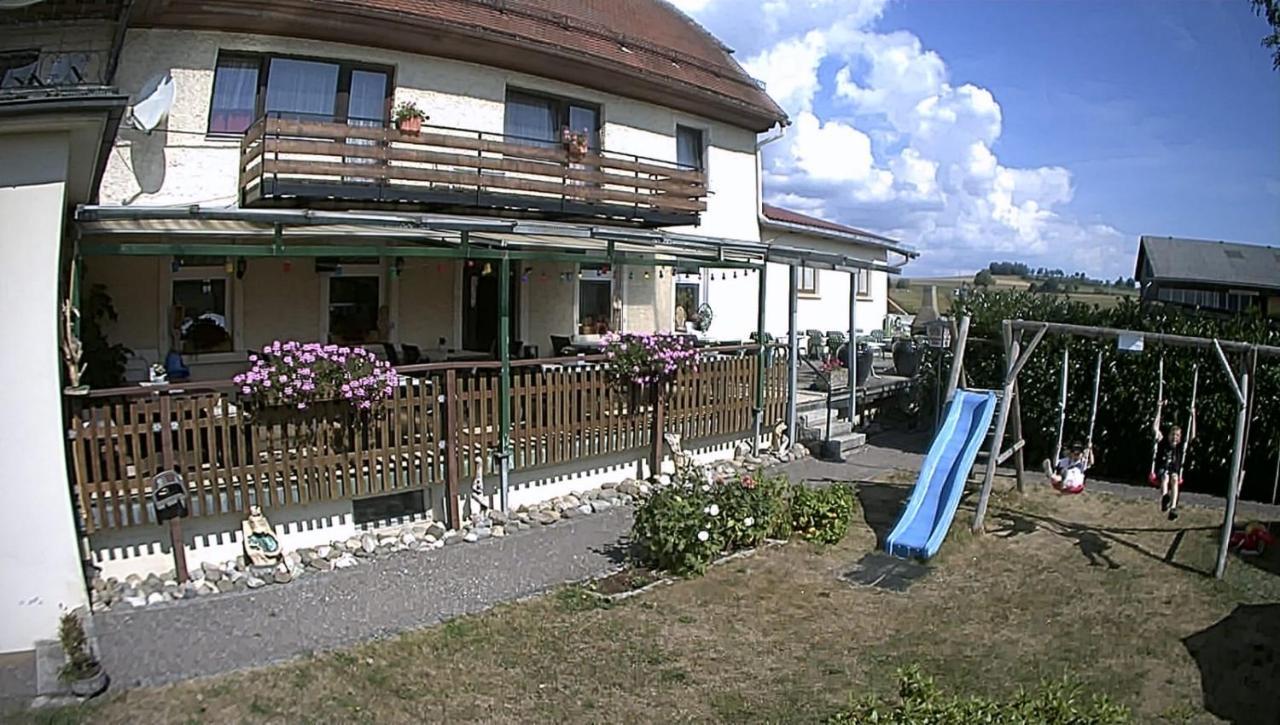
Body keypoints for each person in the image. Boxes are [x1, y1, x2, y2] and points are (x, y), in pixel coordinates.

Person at [1154, 425, 1184, 520]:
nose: (1174, 437)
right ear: (1168, 435)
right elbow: (1155, 430)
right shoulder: (1163, 443)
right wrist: (1158, 411)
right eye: (1172, 434)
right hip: (1163, 470)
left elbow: (1192, 436)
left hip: (1173, 471)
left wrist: (1193, 415)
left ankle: (1173, 507)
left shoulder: (1180, 447)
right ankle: (1165, 497)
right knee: (1165, 477)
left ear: (1179, 438)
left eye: (1177, 435)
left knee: (1175, 478)